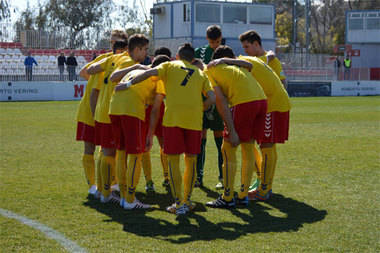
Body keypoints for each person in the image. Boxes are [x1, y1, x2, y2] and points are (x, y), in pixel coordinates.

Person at [115, 43, 215, 215]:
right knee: (190, 161)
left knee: (174, 161)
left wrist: (128, 84)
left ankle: (178, 203)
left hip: (173, 119)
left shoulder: (169, 65)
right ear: (192, 59)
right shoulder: (200, 73)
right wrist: (201, 108)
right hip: (194, 121)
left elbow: (148, 72)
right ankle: (187, 200)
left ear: (177, 56)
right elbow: (212, 99)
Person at [209, 54, 291, 201]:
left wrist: (224, 60)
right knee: (256, 145)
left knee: (264, 146)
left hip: (271, 103)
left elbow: (221, 100)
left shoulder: (234, 64)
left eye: (247, 46)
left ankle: (262, 190)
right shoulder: (250, 62)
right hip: (267, 101)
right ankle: (258, 187)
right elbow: (267, 57)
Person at [204, 45, 267, 208]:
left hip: (244, 102)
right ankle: (243, 195)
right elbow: (251, 65)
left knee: (228, 148)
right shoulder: (238, 67)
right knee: (248, 147)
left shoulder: (210, 70)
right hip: (261, 101)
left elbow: (221, 102)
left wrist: (231, 130)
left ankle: (227, 197)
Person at [109, 52, 166, 210]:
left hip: (114, 107)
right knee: (136, 155)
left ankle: (123, 196)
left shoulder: (137, 70)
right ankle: (130, 200)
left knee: (121, 152)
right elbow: (155, 110)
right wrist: (149, 135)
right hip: (132, 110)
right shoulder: (159, 77)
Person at [76, 30, 127, 199]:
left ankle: (112, 183)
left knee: (110, 149)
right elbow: (85, 73)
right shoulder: (106, 59)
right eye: (112, 42)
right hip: (91, 111)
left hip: (106, 110)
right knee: (90, 148)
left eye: (117, 42)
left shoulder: (122, 61)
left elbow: (85, 72)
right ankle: (93, 185)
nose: (113, 45)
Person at [239, 30, 288, 192]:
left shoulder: (272, 60)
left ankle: (265, 187)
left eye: (247, 46)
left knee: (267, 144)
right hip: (257, 107)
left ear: (256, 44)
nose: (245, 50)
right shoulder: (258, 59)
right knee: (250, 141)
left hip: (270, 107)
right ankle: (261, 178)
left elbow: (283, 83)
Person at [86, 35, 131, 204]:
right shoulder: (124, 62)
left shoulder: (106, 63)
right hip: (111, 112)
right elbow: (94, 91)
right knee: (110, 152)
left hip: (102, 112)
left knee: (104, 152)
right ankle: (107, 190)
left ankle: (103, 188)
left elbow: (89, 71)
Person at [194, 24, 225, 189]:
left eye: (217, 41)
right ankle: (198, 176)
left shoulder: (224, 53)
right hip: (202, 101)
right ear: (207, 39)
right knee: (201, 138)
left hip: (218, 101)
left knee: (220, 139)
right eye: (212, 42)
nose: (215, 45)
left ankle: (222, 176)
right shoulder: (199, 53)